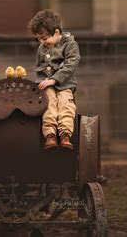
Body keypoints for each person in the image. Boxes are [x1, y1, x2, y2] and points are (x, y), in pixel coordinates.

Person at [27, 9, 80, 150]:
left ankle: (65, 134)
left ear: (56, 33)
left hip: (65, 84)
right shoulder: (42, 47)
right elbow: (39, 67)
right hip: (47, 84)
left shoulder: (70, 45)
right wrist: (42, 82)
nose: (41, 42)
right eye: (39, 38)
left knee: (65, 105)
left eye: (44, 38)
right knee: (48, 105)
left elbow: (71, 64)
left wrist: (54, 79)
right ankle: (50, 135)